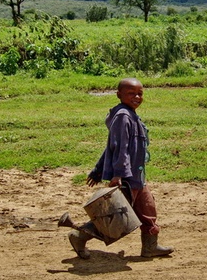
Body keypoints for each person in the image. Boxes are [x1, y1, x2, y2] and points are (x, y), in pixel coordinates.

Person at [67, 78, 174, 259]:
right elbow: (120, 148)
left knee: (148, 210)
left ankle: (150, 247)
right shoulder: (123, 117)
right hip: (127, 177)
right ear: (119, 95)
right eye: (131, 93)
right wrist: (117, 175)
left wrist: (98, 169)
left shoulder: (130, 115)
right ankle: (79, 236)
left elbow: (110, 147)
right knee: (114, 216)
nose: (137, 97)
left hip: (137, 176)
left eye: (140, 93)